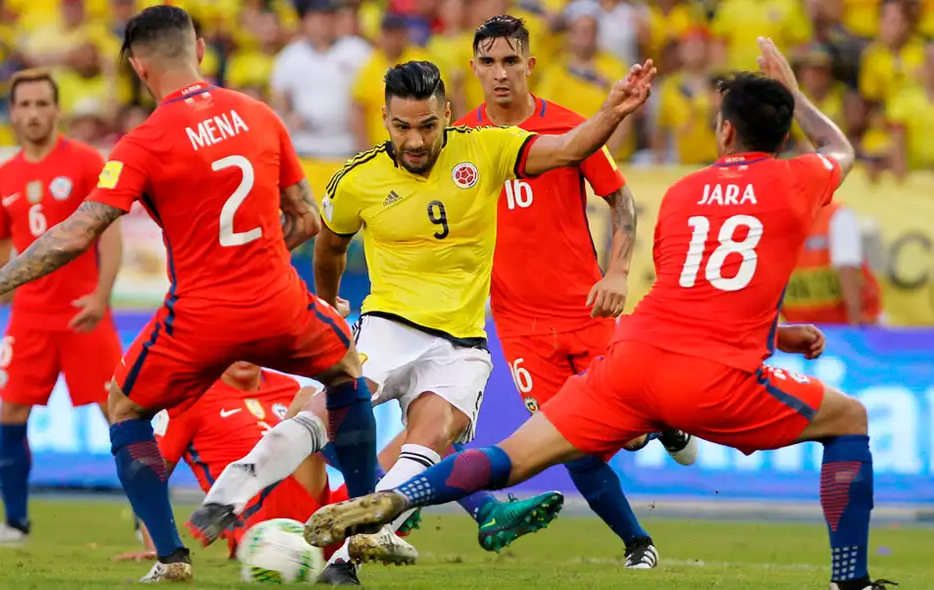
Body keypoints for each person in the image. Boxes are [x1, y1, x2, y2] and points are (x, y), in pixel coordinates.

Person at [303, 38, 897, 590]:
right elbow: (837, 152)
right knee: (849, 417)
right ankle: (849, 580)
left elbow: (687, 290)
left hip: (633, 357)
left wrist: (775, 332)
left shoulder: (684, 195)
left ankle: (396, 499)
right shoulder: (797, 179)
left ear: (723, 132)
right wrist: (794, 93)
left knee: (514, 457)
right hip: (707, 373)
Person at [0, 6, 380, 583]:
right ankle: (363, 531)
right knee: (346, 376)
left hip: (200, 317)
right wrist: (262, 256)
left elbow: (80, 230)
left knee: (125, 408)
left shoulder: (143, 142)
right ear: (199, 49)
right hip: (277, 301)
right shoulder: (259, 114)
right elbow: (305, 218)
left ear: (138, 67)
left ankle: (171, 558)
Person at [197, 55, 657, 586]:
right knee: (323, 416)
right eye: (401, 127)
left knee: (430, 440)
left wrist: (612, 110)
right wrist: (326, 302)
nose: (414, 141)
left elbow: (570, 148)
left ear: (448, 115)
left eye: (427, 126)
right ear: (384, 120)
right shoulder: (357, 179)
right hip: (388, 327)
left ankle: (344, 562)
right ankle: (229, 494)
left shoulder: (486, 149)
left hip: (461, 347)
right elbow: (330, 246)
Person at [453, 15, 697, 568]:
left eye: (510, 61)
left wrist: (617, 273)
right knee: (571, 441)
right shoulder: (459, 141)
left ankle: (660, 420)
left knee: (623, 423)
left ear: (530, 65)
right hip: (519, 326)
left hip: (586, 310)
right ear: (474, 68)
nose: (500, 73)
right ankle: (638, 544)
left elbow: (621, 199)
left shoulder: (570, 129)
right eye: (488, 62)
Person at [0, 69, 124, 546]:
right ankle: (14, 523)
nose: (33, 113)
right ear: (12, 113)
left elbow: (110, 233)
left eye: (41, 104)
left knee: (120, 412)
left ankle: (148, 521)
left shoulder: (86, 162)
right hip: (29, 316)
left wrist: (101, 296)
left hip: (82, 312)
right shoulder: (4, 176)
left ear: (57, 110)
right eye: (24, 105)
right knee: (11, 411)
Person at [114, 362, 352, 562]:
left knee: (370, 491)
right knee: (311, 399)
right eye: (238, 347)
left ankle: (364, 515)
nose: (244, 357)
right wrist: (159, 546)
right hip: (255, 515)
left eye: (252, 346)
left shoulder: (286, 386)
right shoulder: (190, 398)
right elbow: (149, 475)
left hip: (316, 502)